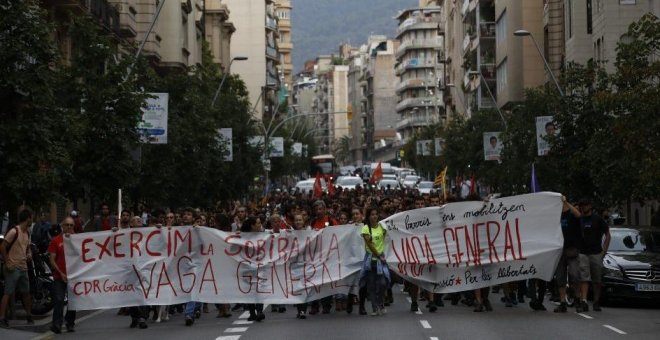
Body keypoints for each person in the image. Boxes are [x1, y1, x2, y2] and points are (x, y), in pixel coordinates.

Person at [0, 207, 35, 328]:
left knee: (26, 293)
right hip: (13, 267)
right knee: (8, 292)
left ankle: (29, 315)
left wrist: (29, 253)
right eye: (31, 217)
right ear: (27, 218)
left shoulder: (28, 232)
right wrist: (8, 261)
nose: (32, 220)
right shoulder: (14, 231)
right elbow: (2, 246)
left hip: (23, 267)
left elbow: (28, 247)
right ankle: (2, 318)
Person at [576, 198, 610, 312]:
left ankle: (596, 302)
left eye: (585, 204)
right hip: (583, 253)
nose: (583, 207)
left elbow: (607, 234)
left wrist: (604, 251)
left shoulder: (597, 219)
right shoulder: (579, 219)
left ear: (590, 206)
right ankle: (584, 301)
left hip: (596, 253)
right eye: (582, 205)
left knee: (597, 280)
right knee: (584, 277)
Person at [48, 217, 77, 334]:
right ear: (62, 226)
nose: (69, 227)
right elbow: (52, 260)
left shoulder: (78, 241)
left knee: (73, 301)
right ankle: (57, 324)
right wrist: (61, 273)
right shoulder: (56, 240)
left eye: (71, 225)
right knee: (59, 300)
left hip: (74, 277)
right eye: (67, 225)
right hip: (59, 277)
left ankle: (70, 323)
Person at [553, 196, 582, 313]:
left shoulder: (571, 215)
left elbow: (578, 215)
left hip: (571, 249)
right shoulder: (555, 216)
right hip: (559, 250)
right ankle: (562, 303)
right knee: (560, 277)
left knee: (574, 275)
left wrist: (566, 202)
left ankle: (577, 300)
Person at [361, 206, 389, 316]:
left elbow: (385, 239)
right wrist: (378, 255)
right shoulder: (366, 229)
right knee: (371, 285)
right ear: (368, 216)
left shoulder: (382, 227)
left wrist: (382, 255)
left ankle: (380, 302)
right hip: (370, 260)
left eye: (376, 214)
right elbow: (370, 244)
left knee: (382, 283)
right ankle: (374, 307)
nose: (374, 216)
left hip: (380, 260)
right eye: (372, 214)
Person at [240, 217, 266, 322]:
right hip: (247, 267)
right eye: (258, 223)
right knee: (250, 290)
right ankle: (252, 313)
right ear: (252, 226)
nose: (260, 225)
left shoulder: (265, 235)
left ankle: (259, 311)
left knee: (259, 288)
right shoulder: (242, 238)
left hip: (260, 266)